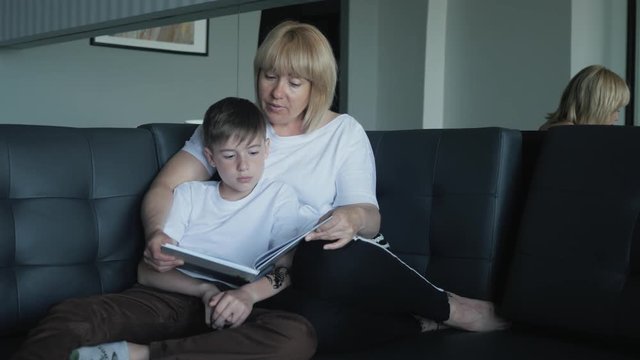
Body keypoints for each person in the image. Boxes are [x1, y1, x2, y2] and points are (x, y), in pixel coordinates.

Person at [142, 20, 507, 352]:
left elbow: (370, 218)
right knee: (304, 326)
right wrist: (157, 233)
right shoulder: (234, 127)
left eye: (294, 83)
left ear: (318, 87)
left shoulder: (343, 132)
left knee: (319, 256)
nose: (276, 93)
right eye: (269, 76)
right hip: (271, 281)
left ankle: (449, 307)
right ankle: (414, 324)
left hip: (338, 264)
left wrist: (350, 216)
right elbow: (165, 187)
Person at [12, 98, 317, 360]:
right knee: (71, 315)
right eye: (229, 156)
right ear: (210, 157)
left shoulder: (280, 197)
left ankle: (143, 355)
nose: (243, 166)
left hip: (235, 305)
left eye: (252, 152)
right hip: (167, 300)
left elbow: (282, 272)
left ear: (266, 149)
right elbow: (148, 272)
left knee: (296, 335)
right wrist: (204, 289)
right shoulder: (188, 194)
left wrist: (247, 296)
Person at [539, 64, 630, 130]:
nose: (617, 117)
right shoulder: (565, 132)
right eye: (615, 109)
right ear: (595, 106)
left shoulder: (555, 130)